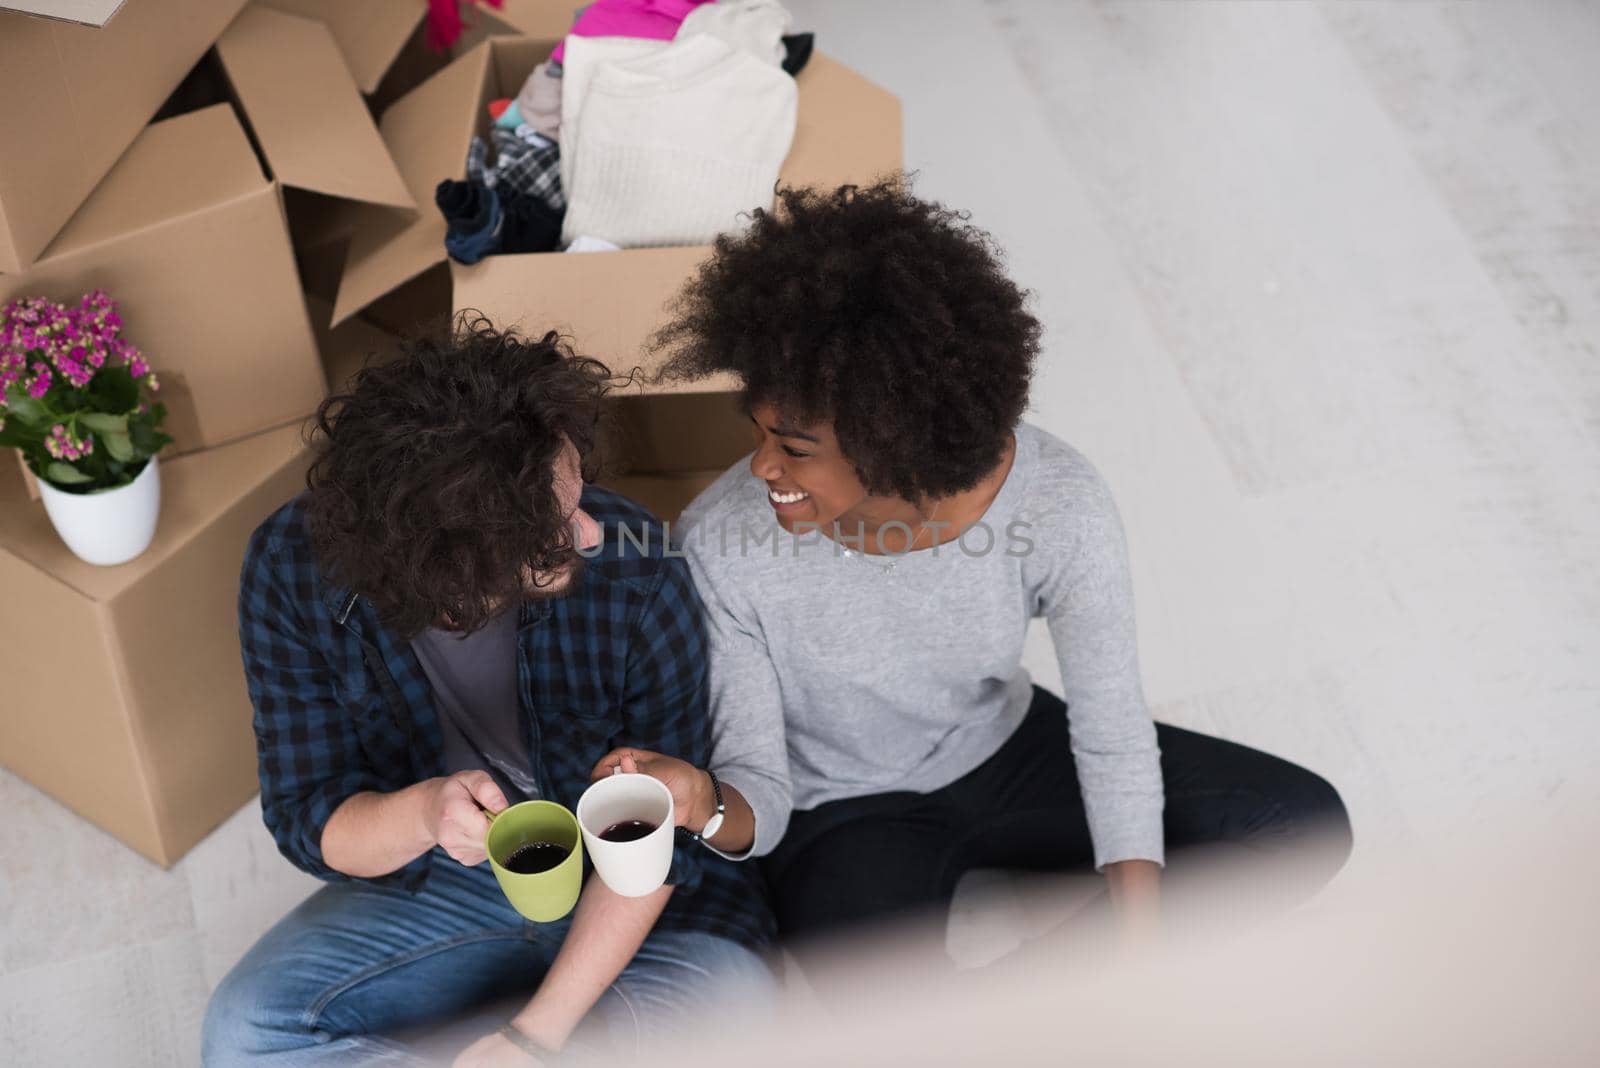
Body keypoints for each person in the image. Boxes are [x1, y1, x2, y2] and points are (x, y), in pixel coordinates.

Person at [590, 179, 1353, 981]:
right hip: (843, 811)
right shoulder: (723, 539)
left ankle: (1003, 1010)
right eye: (759, 432)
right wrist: (704, 802)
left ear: (893, 439)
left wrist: (1135, 943)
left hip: (1006, 748)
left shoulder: (1059, 503)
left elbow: (1113, 734)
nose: (762, 467)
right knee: (871, 1006)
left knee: (1302, 823)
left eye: (795, 446)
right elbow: (764, 795)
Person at [203, 316, 775, 1067]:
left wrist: (530, 1037)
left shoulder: (637, 570)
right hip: (456, 880)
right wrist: (424, 813)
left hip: (636, 904)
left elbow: (662, 848)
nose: (594, 534)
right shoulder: (291, 567)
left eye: (578, 494)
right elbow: (310, 815)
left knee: (740, 1012)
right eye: (556, 530)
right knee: (244, 1034)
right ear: (453, 571)